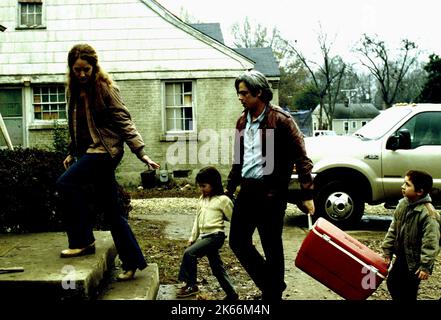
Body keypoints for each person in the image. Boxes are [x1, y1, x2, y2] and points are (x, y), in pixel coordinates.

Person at [57, 43, 160, 281]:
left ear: (94, 68)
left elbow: (124, 121)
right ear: (71, 69)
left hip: (105, 152)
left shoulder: (105, 88)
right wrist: (72, 151)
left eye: (86, 70)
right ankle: (132, 262)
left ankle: (83, 240)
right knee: (112, 210)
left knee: (65, 183)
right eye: (77, 70)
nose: (82, 74)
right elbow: (77, 126)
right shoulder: (72, 90)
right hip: (88, 152)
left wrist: (141, 152)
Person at [225, 70, 314, 300]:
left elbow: (302, 157)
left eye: (244, 93)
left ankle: (272, 294)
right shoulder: (242, 121)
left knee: (271, 245)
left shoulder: (281, 120)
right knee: (237, 241)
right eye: (239, 93)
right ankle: (272, 285)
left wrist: (307, 192)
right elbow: (238, 158)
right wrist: (228, 188)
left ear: (260, 93)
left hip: (271, 193)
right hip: (247, 190)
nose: (240, 97)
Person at [176, 166, 238, 300]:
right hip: (205, 237)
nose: (201, 189)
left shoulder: (223, 200)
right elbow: (197, 221)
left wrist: (244, 237)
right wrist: (192, 238)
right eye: (199, 186)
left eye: (204, 186)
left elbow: (236, 221)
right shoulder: (201, 199)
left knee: (189, 253)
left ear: (214, 184)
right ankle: (232, 294)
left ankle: (191, 285)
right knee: (217, 268)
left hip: (216, 236)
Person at [382, 169, 440, 301]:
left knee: (408, 291)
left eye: (407, 184)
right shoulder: (402, 204)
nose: (403, 187)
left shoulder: (428, 214)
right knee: (392, 283)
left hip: (415, 263)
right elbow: (393, 229)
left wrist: (425, 266)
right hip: (401, 257)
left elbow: (431, 242)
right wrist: (387, 250)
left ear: (419, 191)